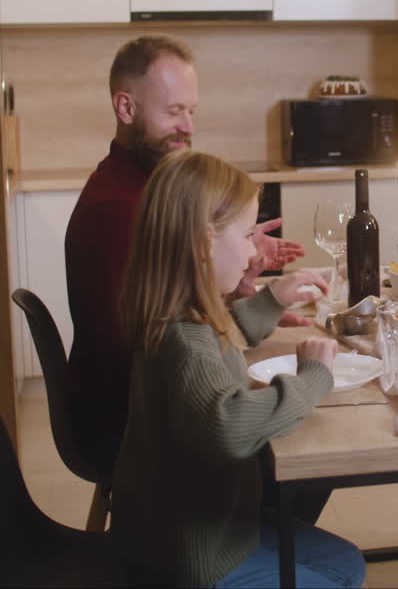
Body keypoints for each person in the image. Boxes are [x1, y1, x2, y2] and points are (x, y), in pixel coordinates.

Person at [111, 150, 366, 588]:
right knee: (339, 577)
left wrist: (272, 299)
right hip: (196, 557)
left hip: (204, 531)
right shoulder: (185, 338)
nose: (253, 252)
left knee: (346, 564)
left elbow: (223, 337)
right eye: (247, 235)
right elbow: (228, 425)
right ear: (202, 244)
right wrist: (312, 379)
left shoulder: (182, 318)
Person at [64, 35, 306, 480]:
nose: (188, 127)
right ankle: (259, 521)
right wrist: (223, 285)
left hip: (142, 407)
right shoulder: (121, 210)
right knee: (294, 434)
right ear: (125, 108)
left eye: (192, 111)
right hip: (126, 426)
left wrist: (231, 268)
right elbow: (163, 346)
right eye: (174, 111)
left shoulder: (146, 190)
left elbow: (174, 320)